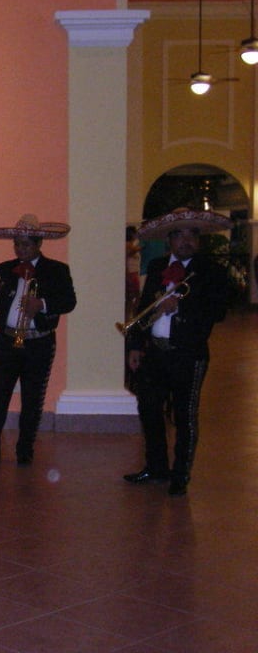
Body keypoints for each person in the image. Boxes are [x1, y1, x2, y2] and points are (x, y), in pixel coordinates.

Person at [123, 208, 231, 496]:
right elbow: (143, 306)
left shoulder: (211, 270)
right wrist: (135, 345)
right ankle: (156, 467)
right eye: (180, 235)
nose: (187, 241)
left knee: (185, 416)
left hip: (188, 353)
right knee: (148, 409)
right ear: (169, 240)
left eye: (192, 235)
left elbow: (219, 311)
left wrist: (180, 305)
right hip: (155, 352)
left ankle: (180, 475)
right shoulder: (158, 266)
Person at [0, 214, 76, 467]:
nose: (21, 249)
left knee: (32, 397)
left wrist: (42, 304)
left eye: (26, 244)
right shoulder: (3, 269)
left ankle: (25, 449)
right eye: (17, 244)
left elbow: (69, 302)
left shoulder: (57, 270)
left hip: (38, 341)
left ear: (39, 244)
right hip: (7, 340)